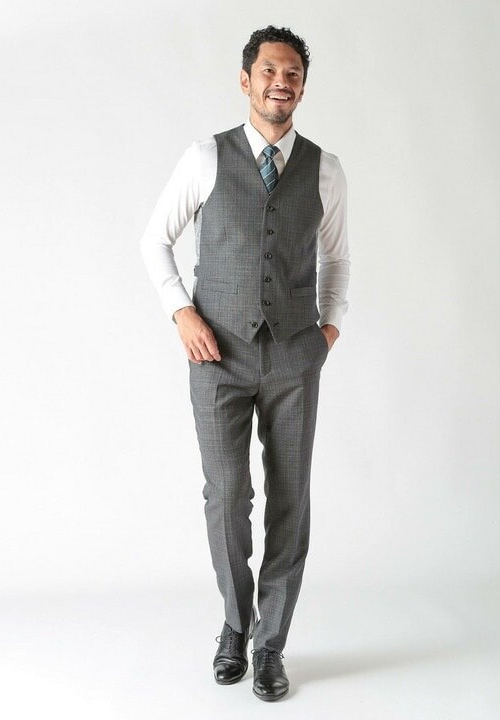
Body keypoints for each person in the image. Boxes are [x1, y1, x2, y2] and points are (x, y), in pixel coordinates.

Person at [140, 25, 350, 702]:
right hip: (217, 357)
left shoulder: (324, 168)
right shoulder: (206, 157)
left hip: (294, 357)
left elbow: (338, 257)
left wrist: (328, 330)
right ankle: (236, 623)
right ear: (246, 80)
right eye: (269, 71)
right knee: (227, 497)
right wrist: (182, 313)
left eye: (292, 74)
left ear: (302, 88)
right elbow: (155, 240)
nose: (280, 83)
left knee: (291, 500)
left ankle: (270, 645)